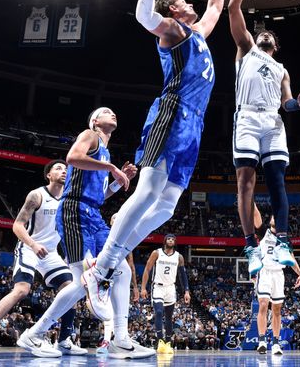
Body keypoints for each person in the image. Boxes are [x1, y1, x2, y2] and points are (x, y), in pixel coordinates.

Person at [84, 0, 228, 320]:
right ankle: (101, 269)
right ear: (174, 11)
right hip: (172, 113)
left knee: (166, 205)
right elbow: (146, 18)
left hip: (195, 124)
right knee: (148, 191)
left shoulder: (196, 34)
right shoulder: (173, 32)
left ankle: (110, 259)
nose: (188, 3)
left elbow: (215, 6)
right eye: (180, 0)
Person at [18, 107, 153, 359]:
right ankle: (35, 334)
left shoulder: (104, 153)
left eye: (114, 112)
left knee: (122, 269)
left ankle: (121, 339)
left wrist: (117, 180)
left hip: (94, 214)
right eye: (106, 112)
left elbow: (100, 195)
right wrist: (111, 166)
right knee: (83, 278)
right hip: (74, 210)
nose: (112, 114)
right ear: (94, 121)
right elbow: (71, 157)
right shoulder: (90, 136)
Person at [226, 0, 300, 276]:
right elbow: (233, 9)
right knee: (246, 182)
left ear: (275, 45)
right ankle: (250, 245)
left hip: (273, 122)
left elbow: (288, 104)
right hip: (248, 118)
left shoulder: (282, 69)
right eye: (261, 34)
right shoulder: (246, 49)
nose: (264, 36)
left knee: (278, 179)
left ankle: (283, 241)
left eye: (270, 36)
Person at [0, 160, 85, 355]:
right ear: (48, 175)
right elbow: (17, 225)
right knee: (22, 290)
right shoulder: (37, 195)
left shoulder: (68, 199)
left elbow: (98, 198)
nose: (63, 171)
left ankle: (64, 340)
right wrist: (33, 244)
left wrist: (117, 182)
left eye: (66, 169)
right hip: (29, 247)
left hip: (51, 253)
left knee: (72, 289)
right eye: (58, 168)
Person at [252, 215, 300, 355]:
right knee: (263, 304)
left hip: (278, 274)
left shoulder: (285, 239)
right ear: (270, 221)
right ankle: (262, 341)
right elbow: (255, 215)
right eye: (273, 215)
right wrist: (249, 199)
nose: (276, 216)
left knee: (276, 310)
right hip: (265, 271)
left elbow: (291, 258)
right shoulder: (263, 232)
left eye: (277, 215)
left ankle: (275, 344)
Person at [140, 234, 191, 354]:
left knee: (169, 317)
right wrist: (143, 288)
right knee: (158, 312)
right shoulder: (156, 253)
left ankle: (168, 343)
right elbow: (147, 269)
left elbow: (183, 275)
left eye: (173, 239)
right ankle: (160, 342)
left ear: (175, 242)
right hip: (158, 286)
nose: (171, 240)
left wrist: (186, 291)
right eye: (169, 238)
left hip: (171, 288)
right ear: (165, 241)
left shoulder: (179, 257)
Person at [97, 214, 139, 356]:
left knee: (119, 311)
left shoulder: (127, 239)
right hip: (105, 278)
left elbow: (131, 265)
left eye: (118, 218)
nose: (116, 220)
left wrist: (135, 287)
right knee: (108, 311)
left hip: (120, 278)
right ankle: (107, 340)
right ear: (110, 221)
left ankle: (117, 338)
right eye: (113, 218)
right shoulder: (104, 235)